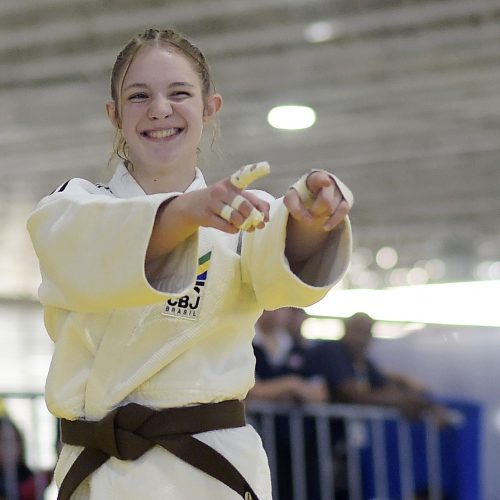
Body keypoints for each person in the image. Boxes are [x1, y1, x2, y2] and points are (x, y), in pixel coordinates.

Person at [27, 28, 353, 500]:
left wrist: (313, 218)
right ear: (114, 115)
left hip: (212, 473)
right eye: (139, 96)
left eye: (179, 93)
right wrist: (186, 213)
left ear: (209, 108)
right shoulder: (70, 208)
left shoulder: (242, 210)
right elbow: (86, 252)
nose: (160, 108)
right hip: (99, 476)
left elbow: (284, 273)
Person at [306, 312, 450, 421]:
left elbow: (386, 387)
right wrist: (399, 401)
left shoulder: (363, 361)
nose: (361, 338)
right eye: (357, 331)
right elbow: (353, 394)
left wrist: (426, 404)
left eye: (367, 333)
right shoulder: (331, 352)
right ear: (345, 330)